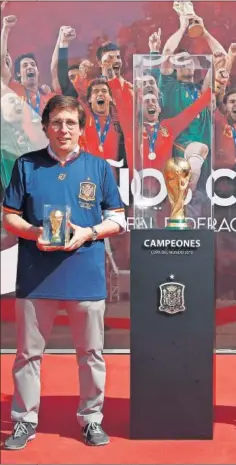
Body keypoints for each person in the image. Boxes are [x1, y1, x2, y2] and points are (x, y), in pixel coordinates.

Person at [2, 95, 125, 450]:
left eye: (71, 123)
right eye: (56, 122)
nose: (63, 129)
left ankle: (91, 419)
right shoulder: (26, 166)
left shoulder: (99, 168)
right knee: (28, 355)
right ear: (45, 127)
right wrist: (34, 233)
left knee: (91, 354)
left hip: (84, 275)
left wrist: (88, 232)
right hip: (35, 275)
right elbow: (9, 216)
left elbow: (117, 219)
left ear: (82, 129)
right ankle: (24, 421)